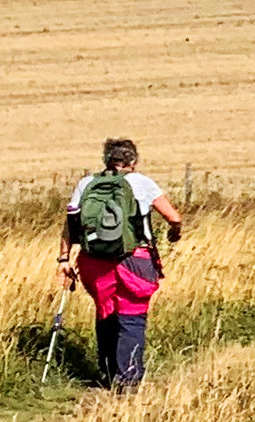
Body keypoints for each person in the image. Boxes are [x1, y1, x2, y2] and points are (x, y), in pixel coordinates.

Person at [61, 138, 186, 392]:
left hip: (94, 261)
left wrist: (63, 259)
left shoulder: (87, 184)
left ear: (106, 160)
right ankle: (128, 379)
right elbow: (174, 217)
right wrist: (175, 231)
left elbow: (71, 225)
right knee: (132, 316)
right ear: (133, 162)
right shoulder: (143, 183)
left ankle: (107, 373)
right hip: (135, 259)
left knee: (105, 311)